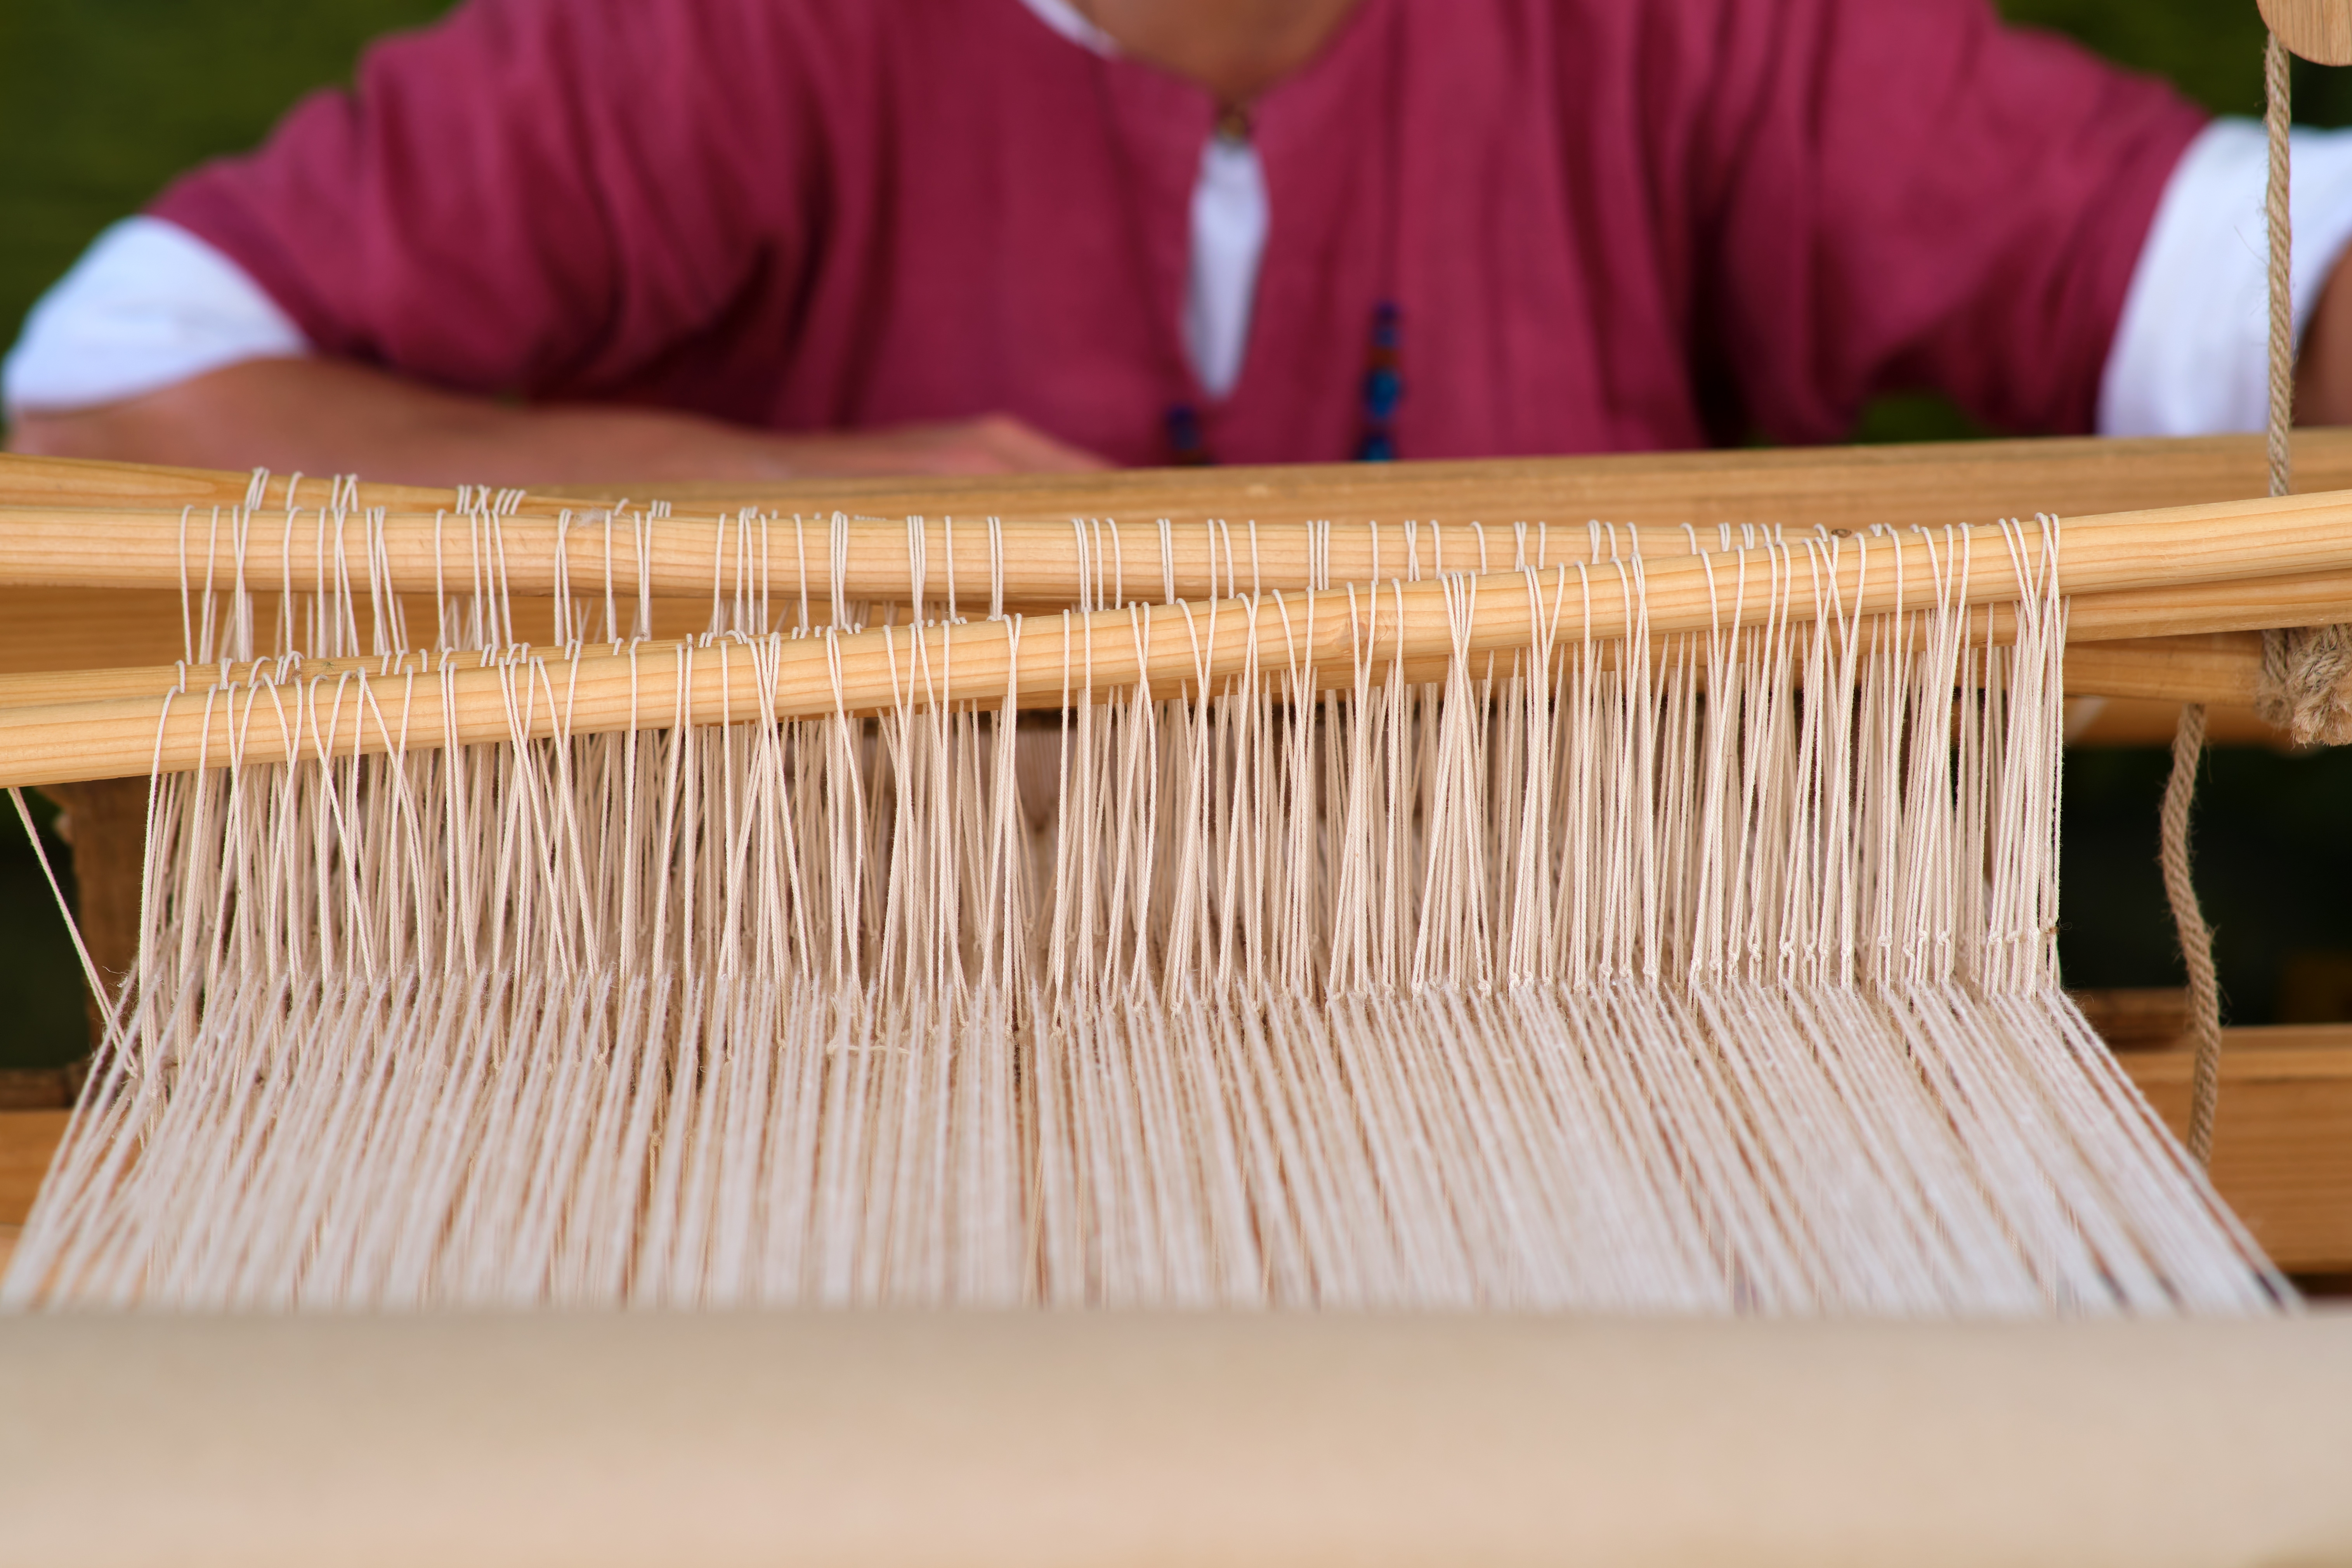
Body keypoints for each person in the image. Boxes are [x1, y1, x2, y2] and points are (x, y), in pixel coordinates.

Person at [13, 0, 2352, 487]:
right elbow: (104, 404)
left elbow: (2260, 281)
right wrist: (815, 512)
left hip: (1575, 1151)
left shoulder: (1686, 38)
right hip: (808, 1119)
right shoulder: (734, 42)